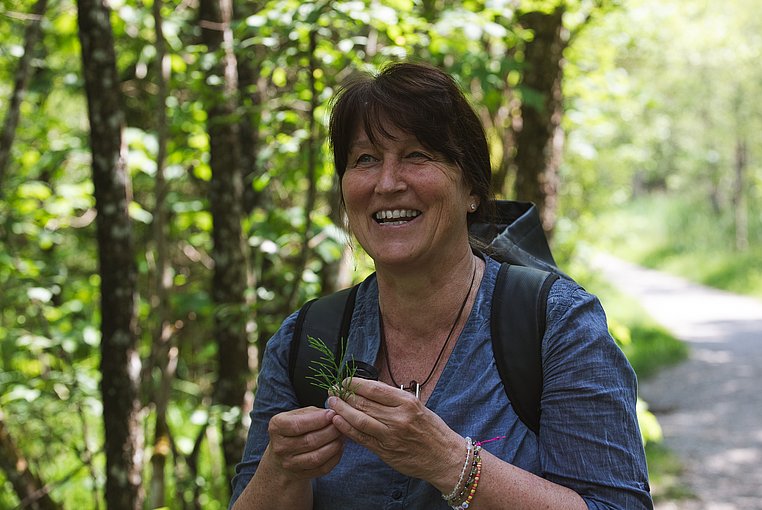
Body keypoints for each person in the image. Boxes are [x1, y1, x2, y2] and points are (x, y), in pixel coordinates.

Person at [229, 61, 652, 509]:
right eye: (366, 159)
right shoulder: (307, 339)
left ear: (472, 189)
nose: (388, 183)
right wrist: (280, 468)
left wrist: (450, 462)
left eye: (417, 155)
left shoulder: (557, 325)